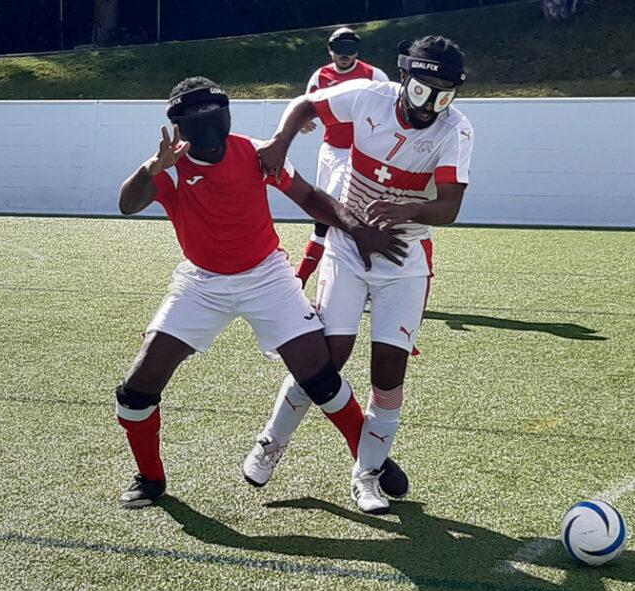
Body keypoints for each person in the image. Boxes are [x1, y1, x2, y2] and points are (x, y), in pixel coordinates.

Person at [114, 76, 409, 509]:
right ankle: (150, 479)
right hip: (202, 283)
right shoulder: (168, 166)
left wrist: (357, 230)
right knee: (137, 389)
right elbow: (127, 203)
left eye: (209, 112)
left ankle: (372, 461)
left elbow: (309, 196)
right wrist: (149, 170)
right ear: (179, 124)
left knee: (321, 375)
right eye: (193, 116)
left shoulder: (255, 153)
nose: (206, 126)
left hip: (266, 276)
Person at [247, 35, 474, 514]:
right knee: (328, 357)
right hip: (347, 249)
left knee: (388, 375)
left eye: (444, 94)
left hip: (406, 260)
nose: (431, 104)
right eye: (421, 90)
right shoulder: (370, 95)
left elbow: (450, 206)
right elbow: (306, 104)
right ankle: (272, 442)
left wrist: (406, 208)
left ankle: (366, 475)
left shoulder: (457, 129)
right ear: (404, 79)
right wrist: (280, 141)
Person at [294, 26, 390, 289]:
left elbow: (391, 106)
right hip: (328, 152)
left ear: (357, 50)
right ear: (330, 50)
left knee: (332, 214)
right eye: (339, 49)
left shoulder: (373, 75)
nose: (344, 56)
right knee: (326, 213)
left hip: (358, 154)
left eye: (349, 49)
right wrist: (302, 124)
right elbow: (306, 106)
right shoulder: (320, 76)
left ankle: (299, 280)